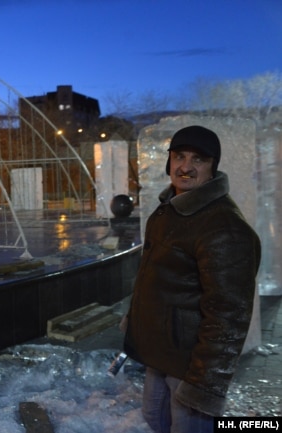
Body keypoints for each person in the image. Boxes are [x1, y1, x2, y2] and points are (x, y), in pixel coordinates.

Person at [123, 125, 261, 433]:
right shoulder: (171, 210)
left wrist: (204, 383)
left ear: (213, 166)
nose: (185, 166)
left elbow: (229, 314)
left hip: (190, 364)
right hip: (161, 352)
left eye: (198, 159)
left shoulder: (223, 226)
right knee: (156, 420)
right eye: (179, 156)